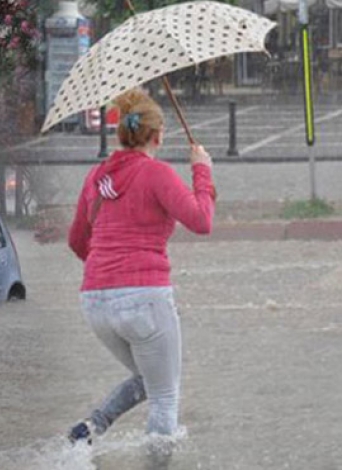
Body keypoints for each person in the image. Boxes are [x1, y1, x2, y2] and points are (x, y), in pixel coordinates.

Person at [65, 88, 216, 444]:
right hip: (143, 300)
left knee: (149, 379)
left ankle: (92, 428)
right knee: (165, 395)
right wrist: (202, 171)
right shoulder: (156, 174)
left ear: (122, 134)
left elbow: (76, 240)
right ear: (158, 135)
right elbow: (201, 220)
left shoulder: (95, 178)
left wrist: (111, 272)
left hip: (95, 303)